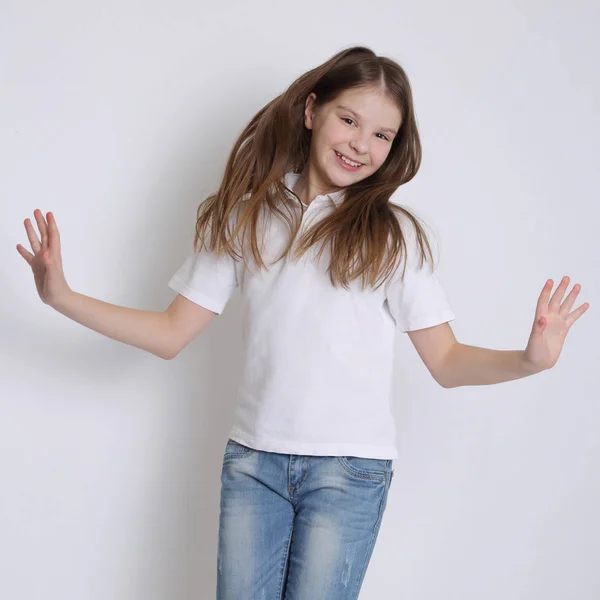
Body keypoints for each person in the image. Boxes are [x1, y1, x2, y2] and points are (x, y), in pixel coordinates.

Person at [17, 46, 589, 599]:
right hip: (252, 464)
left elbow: (445, 361)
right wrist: (62, 297)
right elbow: (170, 334)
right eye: (349, 119)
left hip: (350, 473)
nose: (361, 145)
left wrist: (529, 359)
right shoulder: (246, 215)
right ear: (312, 111)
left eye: (382, 135)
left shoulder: (391, 236)